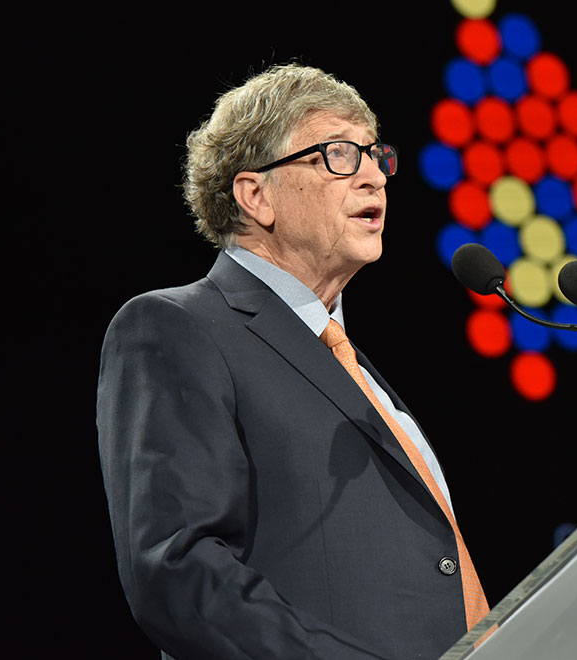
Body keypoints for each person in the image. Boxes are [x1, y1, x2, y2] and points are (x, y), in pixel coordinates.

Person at [97, 64, 487, 660]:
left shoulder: (347, 361)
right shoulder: (177, 327)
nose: (373, 178)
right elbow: (178, 569)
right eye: (337, 154)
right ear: (256, 195)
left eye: (373, 154)